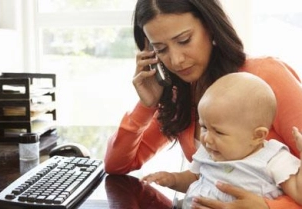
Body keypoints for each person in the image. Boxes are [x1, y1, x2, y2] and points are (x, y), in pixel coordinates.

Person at [103, 0, 302, 208]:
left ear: (211, 27)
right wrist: (147, 105)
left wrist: (268, 207)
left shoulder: (267, 76)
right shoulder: (178, 94)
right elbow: (117, 164)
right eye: (161, 49)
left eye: (184, 40)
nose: (176, 60)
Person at [141, 72, 302, 208]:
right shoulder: (209, 151)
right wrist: (173, 179)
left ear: (257, 136)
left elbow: (298, 192)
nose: (206, 138)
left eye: (218, 132)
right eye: (204, 127)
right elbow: (194, 178)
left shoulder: (273, 159)